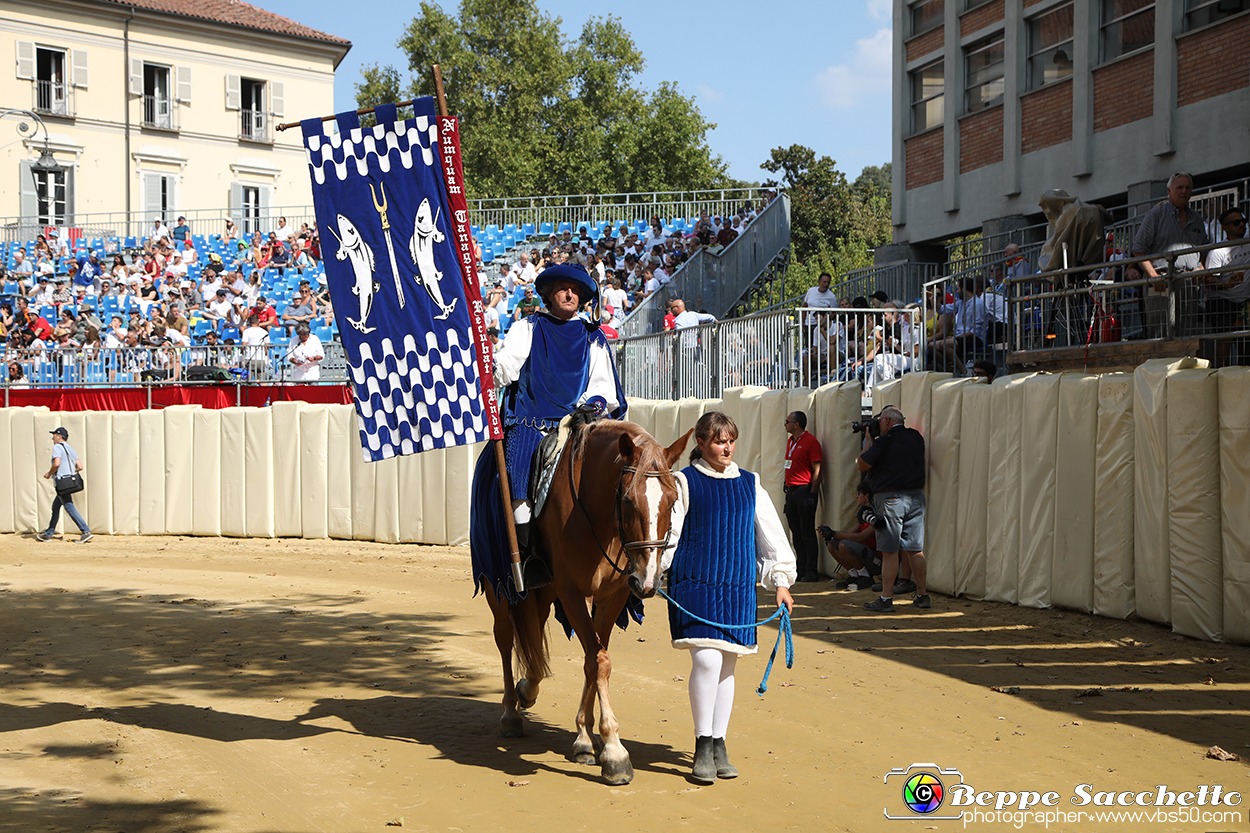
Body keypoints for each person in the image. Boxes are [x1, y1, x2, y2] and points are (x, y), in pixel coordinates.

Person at [661, 411, 796, 784]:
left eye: (731, 440)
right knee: (705, 660)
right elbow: (669, 533)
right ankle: (702, 744)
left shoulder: (751, 484)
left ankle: (719, 743)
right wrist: (654, 573)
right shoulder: (683, 481)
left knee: (727, 666)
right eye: (719, 441)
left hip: (737, 586)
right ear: (701, 444)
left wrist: (781, 582)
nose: (727, 447)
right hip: (695, 583)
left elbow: (772, 538)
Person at [477, 263, 627, 588]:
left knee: (620, 480)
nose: (570, 294)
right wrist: (488, 363)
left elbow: (603, 387)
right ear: (548, 294)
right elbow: (505, 367)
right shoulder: (528, 327)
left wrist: (594, 404)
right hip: (530, 422)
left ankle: (627, 560)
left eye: (575, 290)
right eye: (562, 288)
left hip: (577, 423)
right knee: (519, 487)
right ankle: (529, 560)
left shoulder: (593, 337)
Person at [856, 406, 929, 612]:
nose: (878, 425)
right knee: (915, 549)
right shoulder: (916, 437)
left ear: (887, 420)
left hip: (890, 498)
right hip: (915, 496)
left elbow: (862, 465)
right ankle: (923, 595)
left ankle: (886, 598)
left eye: (880, 421)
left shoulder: (884, 442)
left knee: (889, 551)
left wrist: (869, 442)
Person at [1127, 172, 1210, 338]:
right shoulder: (1155, 215)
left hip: (1188, 282)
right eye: (1179, 187)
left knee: (1187, 332)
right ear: (1169, 190)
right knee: (1160, 333)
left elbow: (1203, 249)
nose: (1184, 191)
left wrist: (1200, 266)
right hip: (1161, 281)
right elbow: (1138, 248)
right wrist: (1153, 276)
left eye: (1188, 187)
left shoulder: (1197, 220)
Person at [819, 482, 882, 590]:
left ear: (867, 496)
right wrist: (830, 535)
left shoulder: (877, 516)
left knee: (844, 545)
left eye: (859, 494)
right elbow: (849, 533)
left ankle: (865, 577)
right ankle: (854, 575)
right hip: (868, 557)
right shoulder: (864, 515)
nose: (857, 497)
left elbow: (862, 537)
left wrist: (834, 533)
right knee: (832, 544)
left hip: (878, 561)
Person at [783, 410, 822, 582]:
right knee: (796, 531)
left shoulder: (810, 442)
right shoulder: (791, 441)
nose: (785, 424)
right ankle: (801, 566)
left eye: (788, 421)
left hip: (804, 489)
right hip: (792, 490)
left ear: (796, 424)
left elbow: (817, 469)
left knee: (807, 531)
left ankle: (811, 570)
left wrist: (812, 493)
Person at [36, 427, 93, 544]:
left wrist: (49, 474)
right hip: (70, 482)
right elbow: (80, 467)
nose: (53, 438)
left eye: (54, 435)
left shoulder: (57, 447)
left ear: (59, 436)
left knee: (69, 506)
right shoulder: (71, 450)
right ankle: (49, 533)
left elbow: (56, 463)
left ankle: (85, 531)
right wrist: (70, 471)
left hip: (62, 483)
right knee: (56, 507)